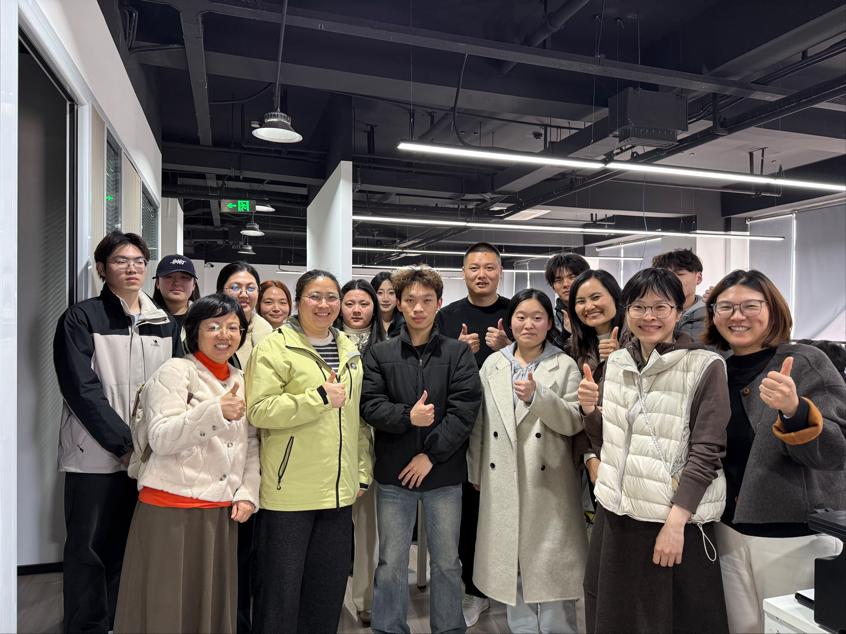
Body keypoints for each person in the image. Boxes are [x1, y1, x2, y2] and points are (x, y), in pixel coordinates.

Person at [580, 267, 730, 634]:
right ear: (626, 311)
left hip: (672, 521)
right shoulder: (617, 362)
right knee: (614, 616)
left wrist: (675, 525)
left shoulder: (705, 365)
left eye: (661, 306)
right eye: (639, 307)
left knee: (673, 619)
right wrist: (589, 412)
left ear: (679, 311)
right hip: (617, 516)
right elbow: (607, 440)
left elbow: (707, 452)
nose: (649, 316)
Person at [703, 270, 846, 634]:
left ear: (773, 309)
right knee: (742, 627)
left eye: (750, 306)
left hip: (792, 534)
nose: (737, 316)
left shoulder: (805, 361)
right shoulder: (713, 366)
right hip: (726, 529)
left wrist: (794, 410)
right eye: (725, 307)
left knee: (789, 626)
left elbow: (835, 452)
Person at [53, 231, 181, 634]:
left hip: (148, 456)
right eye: (121, 261)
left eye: (139, 261)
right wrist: (125, 445)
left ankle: (121, 622)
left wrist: (150, 446)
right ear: (102, 268)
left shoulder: (164, 323)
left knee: (131, 544)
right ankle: (87, 626)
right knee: (88, 547)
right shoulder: (81, 318)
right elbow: (81, 389)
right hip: (94, 454)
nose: (132, 268)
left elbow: (175, 387)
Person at [114, 294, 260, 633]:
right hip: (170, 508)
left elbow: (251, 444)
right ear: (194, 331)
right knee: (165, 605)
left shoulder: (240, 378)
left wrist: (248, 492)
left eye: (233, 327)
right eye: (214, 326)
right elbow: (162, 437)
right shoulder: (175, 371)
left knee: (207, 606)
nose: (225, 335)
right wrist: (215, 411)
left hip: (220, 511)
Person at [245, 270, 373, 634]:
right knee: (280, 595)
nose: (324, 305)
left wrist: (361, 470)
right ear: (298, 302)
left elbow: (356, 419)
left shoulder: (349, 350)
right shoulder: (274, 347)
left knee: (326, 593)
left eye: (331, 297)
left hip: (338, 494)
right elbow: (259, 410)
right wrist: (317, 398)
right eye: (314, 297)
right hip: (290, 495)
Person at [361, 265, 482, 634]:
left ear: (438, 303)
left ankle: (449, 628)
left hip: (443, 473)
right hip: (394, 474)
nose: (418, 308)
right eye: (410, 300)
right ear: (398, 303)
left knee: (447, 562)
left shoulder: (458, 353)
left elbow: (465, 409)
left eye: (426, 300)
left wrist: (430, 455)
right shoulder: (379, 353)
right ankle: (388, 628)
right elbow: (369, 405)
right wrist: (407, 416)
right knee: (391, 562)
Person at [469, 289, 587, 633]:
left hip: (548, 481)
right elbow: (480, 423)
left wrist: (539, 396)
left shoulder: (563, 364)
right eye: (521, 317)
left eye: (537, 317)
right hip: (501, 475)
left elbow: (574, 421)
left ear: (550, 323)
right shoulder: (494, 364)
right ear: (510, 322)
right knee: (512, 563)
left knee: (551, 565)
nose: (528, 325)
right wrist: (476, 469)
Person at [436, 242, 511, 626]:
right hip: (462, 428)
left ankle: (506, 584)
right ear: (463, 273)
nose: (482, 274)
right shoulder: (447, 317)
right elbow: (431, 368)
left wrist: (508, 348)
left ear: (500, 271)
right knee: (468, 513)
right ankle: (473, 590)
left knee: (504, 513)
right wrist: (455, 351)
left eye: (489, 267)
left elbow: (538, 360)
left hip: (508, 429)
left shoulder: (516, 312)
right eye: (474, 268)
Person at [336, 279, 385, 626]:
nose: (356, 310)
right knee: (334, 530)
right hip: (335, 443)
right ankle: (330, 597)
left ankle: (365, 599)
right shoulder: (327, 341)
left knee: (368, 530)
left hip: (378, 445)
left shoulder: (389, 343)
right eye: (350, 303)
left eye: (364, 303)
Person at [567, 269, 625, 484]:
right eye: (580, 301)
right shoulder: (574, 348)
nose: (589, 306)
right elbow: (577, 408)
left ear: (615, 296)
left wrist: (622, 357)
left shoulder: (638, 341)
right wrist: (589, 456)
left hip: (632, 450)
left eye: (596, 297)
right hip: (596, 453)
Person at [216, 261, 273, 368]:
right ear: (220, 291)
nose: (244, 294)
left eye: (250, 288)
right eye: (235, 287)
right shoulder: (206, 328)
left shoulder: (267, 333)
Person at [652, 248, 708, 341]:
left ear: (698, 278)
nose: (672, 279)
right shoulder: (648, 312)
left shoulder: (712, 313)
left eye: (680, 274)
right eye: (666, 275)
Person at [544, 253, 589, 343]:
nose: (565, 284)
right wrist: (565, 335)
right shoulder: (551, 320)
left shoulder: (595, 311)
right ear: (553, 287)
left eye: (572, 277)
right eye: (558, 280)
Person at [152, 253, 199, 329]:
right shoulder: (144, 318)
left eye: (184, 277)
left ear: (194, 284)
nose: (177, 283)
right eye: (169, 276)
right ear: (157, 283)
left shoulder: (205, 318)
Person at [371, 271, 404, 337]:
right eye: (380, 293)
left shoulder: (406, 325)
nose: (385, 299)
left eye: (391, 293)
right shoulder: (366, 323)